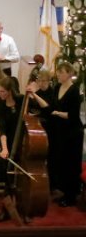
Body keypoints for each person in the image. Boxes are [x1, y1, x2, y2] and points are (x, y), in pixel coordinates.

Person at [34, 62, 83, 207]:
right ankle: (64, 192)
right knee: (60, 161)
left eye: (61, 72)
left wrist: (57, 113)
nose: (58, 74)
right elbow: (50, 107)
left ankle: (71, 196)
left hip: (73, 132)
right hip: (60, 130)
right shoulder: (57, 87)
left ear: (69, 73)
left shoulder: (74, 91)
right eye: (58, 72)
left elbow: (73, 115)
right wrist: (35, 96)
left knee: (71, 163)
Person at [0, 76, 24, 221]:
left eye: (2, 91)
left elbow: (42, 108)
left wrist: (34, 93)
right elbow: (3, 130)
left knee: (22, 180)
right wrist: (4, 149)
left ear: (10, 91)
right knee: (8, 177)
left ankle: (23, 209)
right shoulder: (0, 105)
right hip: (7, 143)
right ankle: (6, 209)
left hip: (24, 143)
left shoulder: (21, 100)